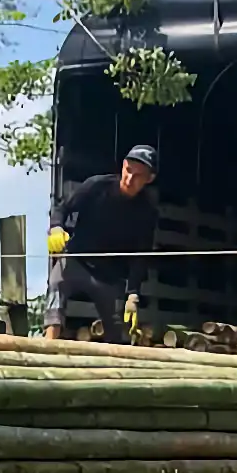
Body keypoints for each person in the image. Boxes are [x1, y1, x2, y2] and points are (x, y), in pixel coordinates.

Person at [43, 144, 160, 345]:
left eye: (138, 175)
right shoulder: (97, 185)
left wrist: (133, 293)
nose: (130, 179)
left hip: (109, 276)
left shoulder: (147, 212)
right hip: (76, 261)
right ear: (123, 165)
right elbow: (62, 208)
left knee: (116, 330)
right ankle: (47, 345)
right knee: (56, 285)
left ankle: (115, 369)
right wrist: (55, 227)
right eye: (128, 170)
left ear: (149, 179)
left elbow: (141, 256)